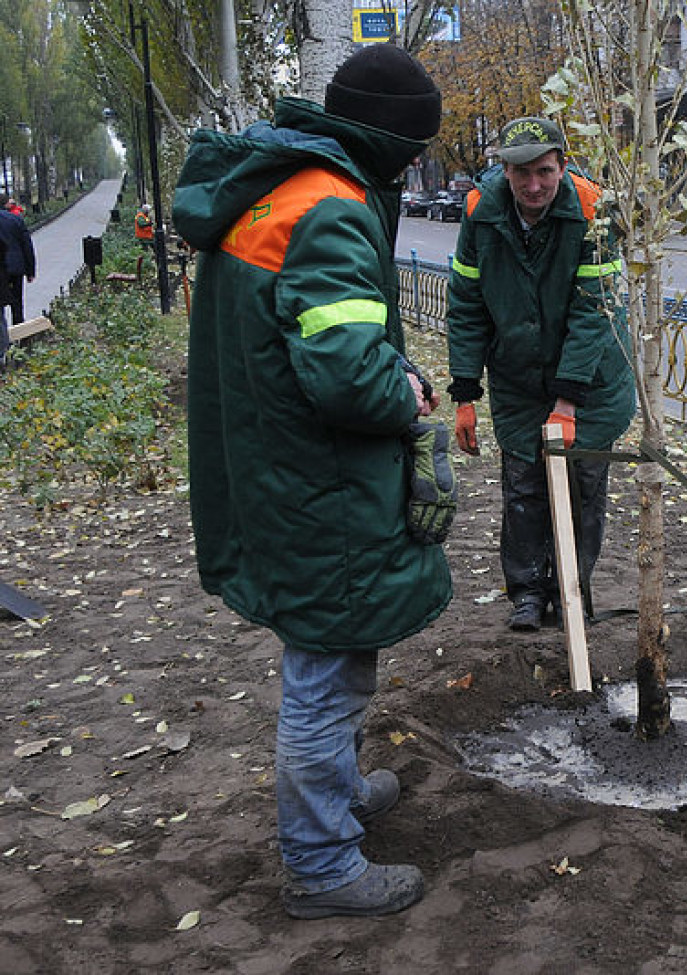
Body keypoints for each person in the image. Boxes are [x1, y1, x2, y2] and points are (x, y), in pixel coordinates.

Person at [172, 43, 450, 920]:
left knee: (332, 652)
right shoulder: (331, 208)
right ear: (386, 139)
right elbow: (344, 374)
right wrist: (403, 391)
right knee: (327, 671)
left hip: (276, 470)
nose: (416, 164)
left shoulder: (277, 189)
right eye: (415, 148)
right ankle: (323, 861)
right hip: (320, 486)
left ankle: (338, 795)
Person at [446, 116, 636, 632]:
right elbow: (466, 304)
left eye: (545, 172)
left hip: (594, 382)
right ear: (504, 172)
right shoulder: (480, 214)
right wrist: (464, 392)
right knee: (524, 486)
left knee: (583, 487)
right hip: (519, 379)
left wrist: (568, 402)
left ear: (563, 166)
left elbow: (594, 312)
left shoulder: (594, 212)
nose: (534, 186)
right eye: (522, 173)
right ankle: (528, 592)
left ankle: (572, 590)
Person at [0, 201, 36, 344]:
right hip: (16, 267)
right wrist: (30, 270)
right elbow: (26, 245)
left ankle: (3, 341)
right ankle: (20, 337)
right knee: (17, 302)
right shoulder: (15, 220)